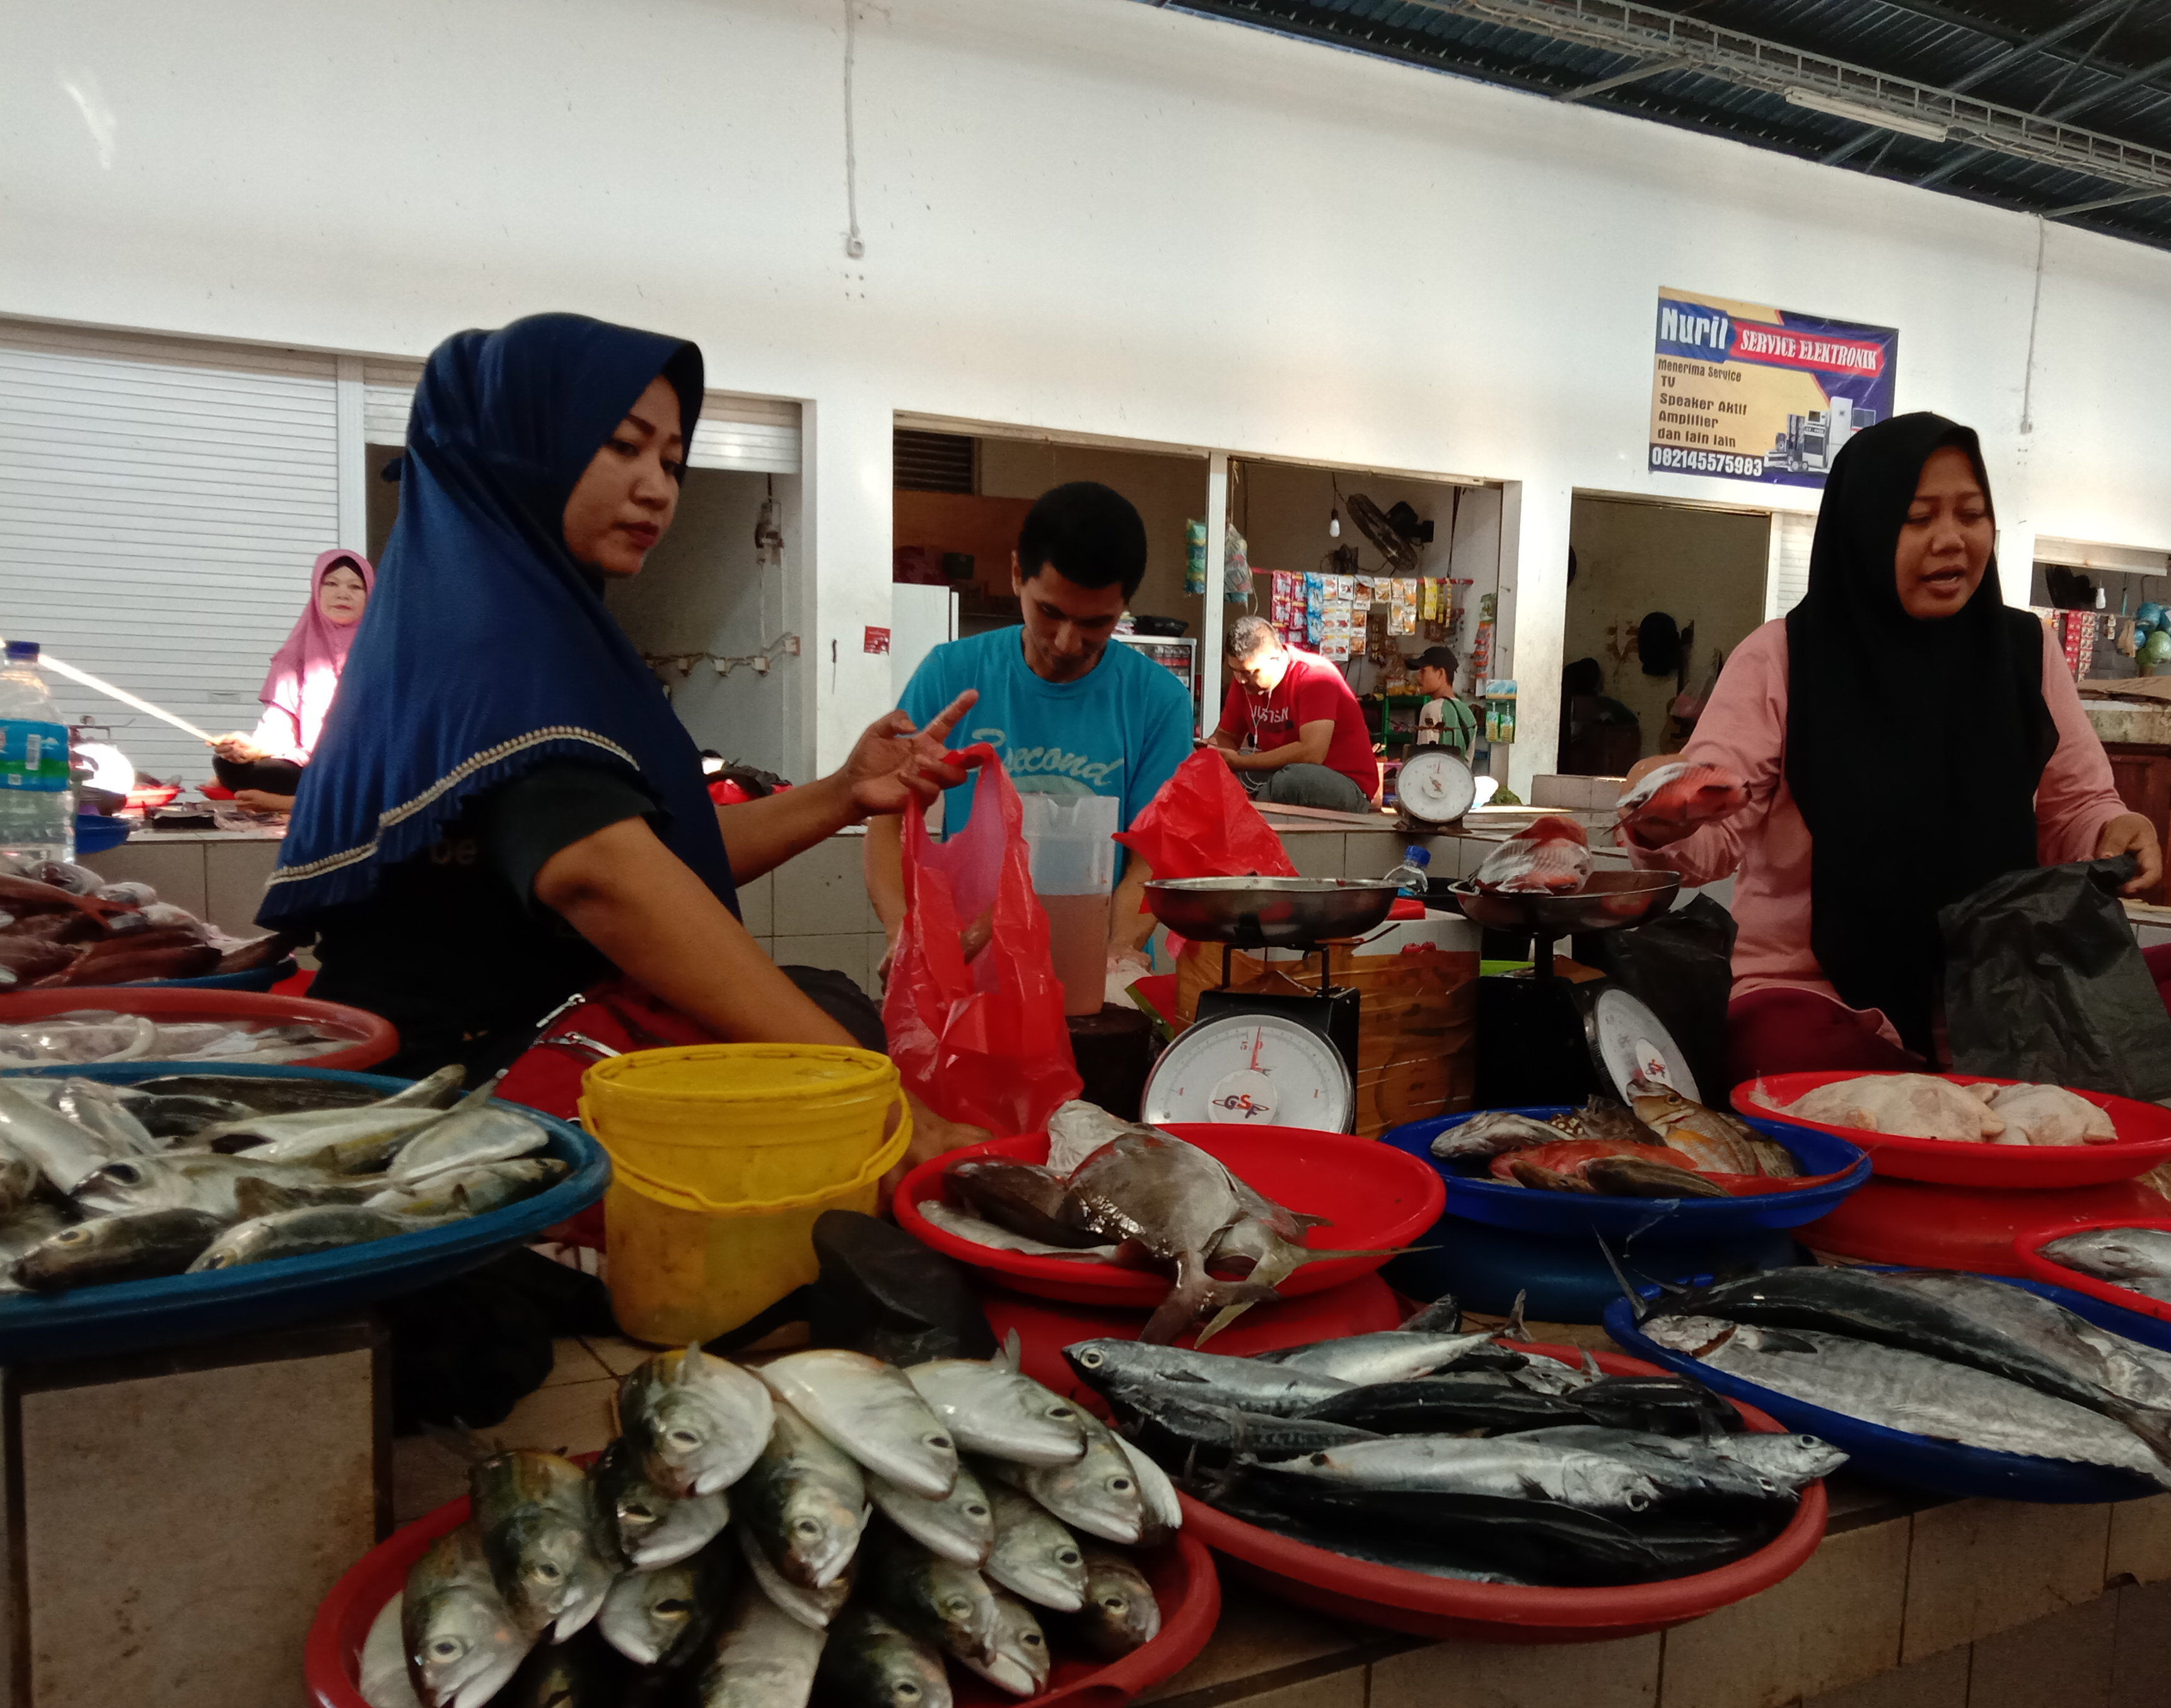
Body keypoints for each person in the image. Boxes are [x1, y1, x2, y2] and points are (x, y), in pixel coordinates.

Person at [259, 312, 981, 1160]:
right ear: (522, 447)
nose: (657, 488)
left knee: (824, 1000)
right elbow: (606, 876)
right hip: (444, 1120)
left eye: (671, 461)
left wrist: (843, 794)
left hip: (490, 1064)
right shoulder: (491, 643)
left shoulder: (515, 625)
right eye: (623, 446)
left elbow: (653, 855)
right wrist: (878, 1100)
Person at [1622, 412, 2171, 1079]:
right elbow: (1712, 834)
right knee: (1778, 1040)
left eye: (1971, 515)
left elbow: (2076, 808)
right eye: (1916, 518)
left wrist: (2114, 829)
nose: (1951, 540)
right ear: (1863, 527)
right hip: (1826, 994)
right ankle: (1991, 1094)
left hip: (2007, 987)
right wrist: (1664, 815)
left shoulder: (2022, 652)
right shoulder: (1784, 657)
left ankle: (1932, 1098)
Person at [872, 482, 1192, 971]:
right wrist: (903, 931)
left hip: (1093, 966)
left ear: (1124, 604)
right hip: (970, 965)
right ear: (1018, 574)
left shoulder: (1158, 701)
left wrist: (1115, 955)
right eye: (1050, 612)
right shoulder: (949, 674)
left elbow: (1151, 858)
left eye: (1095, 623)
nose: (1066, 643)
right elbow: (887, 819)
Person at [211, 548, 373, 798]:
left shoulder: (386, 651)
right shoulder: (295, 655)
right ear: (316, 590)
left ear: (370, 595)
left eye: (355, 587)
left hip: (370, 766)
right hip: (312, 766)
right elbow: (279, 724)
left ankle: (315, 798)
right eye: (331, 583)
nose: (343, 594)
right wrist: (253, 749)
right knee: (229, 766)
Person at [1205, 615, 1378, 811]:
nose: (1241, 680)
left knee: (1290, 781)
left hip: (1346, 783)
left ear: (1276, 658)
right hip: (1280, 771)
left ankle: (1252, 815)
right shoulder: (1243, 684)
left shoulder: (1316, 676)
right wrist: (1216, 752)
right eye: (1235, 671)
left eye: (1250, 672)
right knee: (1213, 774)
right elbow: (1227, 736)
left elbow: (1312, 753)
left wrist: (1239, 762)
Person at [1412, 646, 1479, 758]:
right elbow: (1467, 762)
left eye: (1423, 671)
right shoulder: (1468, 713)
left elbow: (1425, 759)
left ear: (1441, 673)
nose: (1418, 678)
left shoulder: (1431, 709)